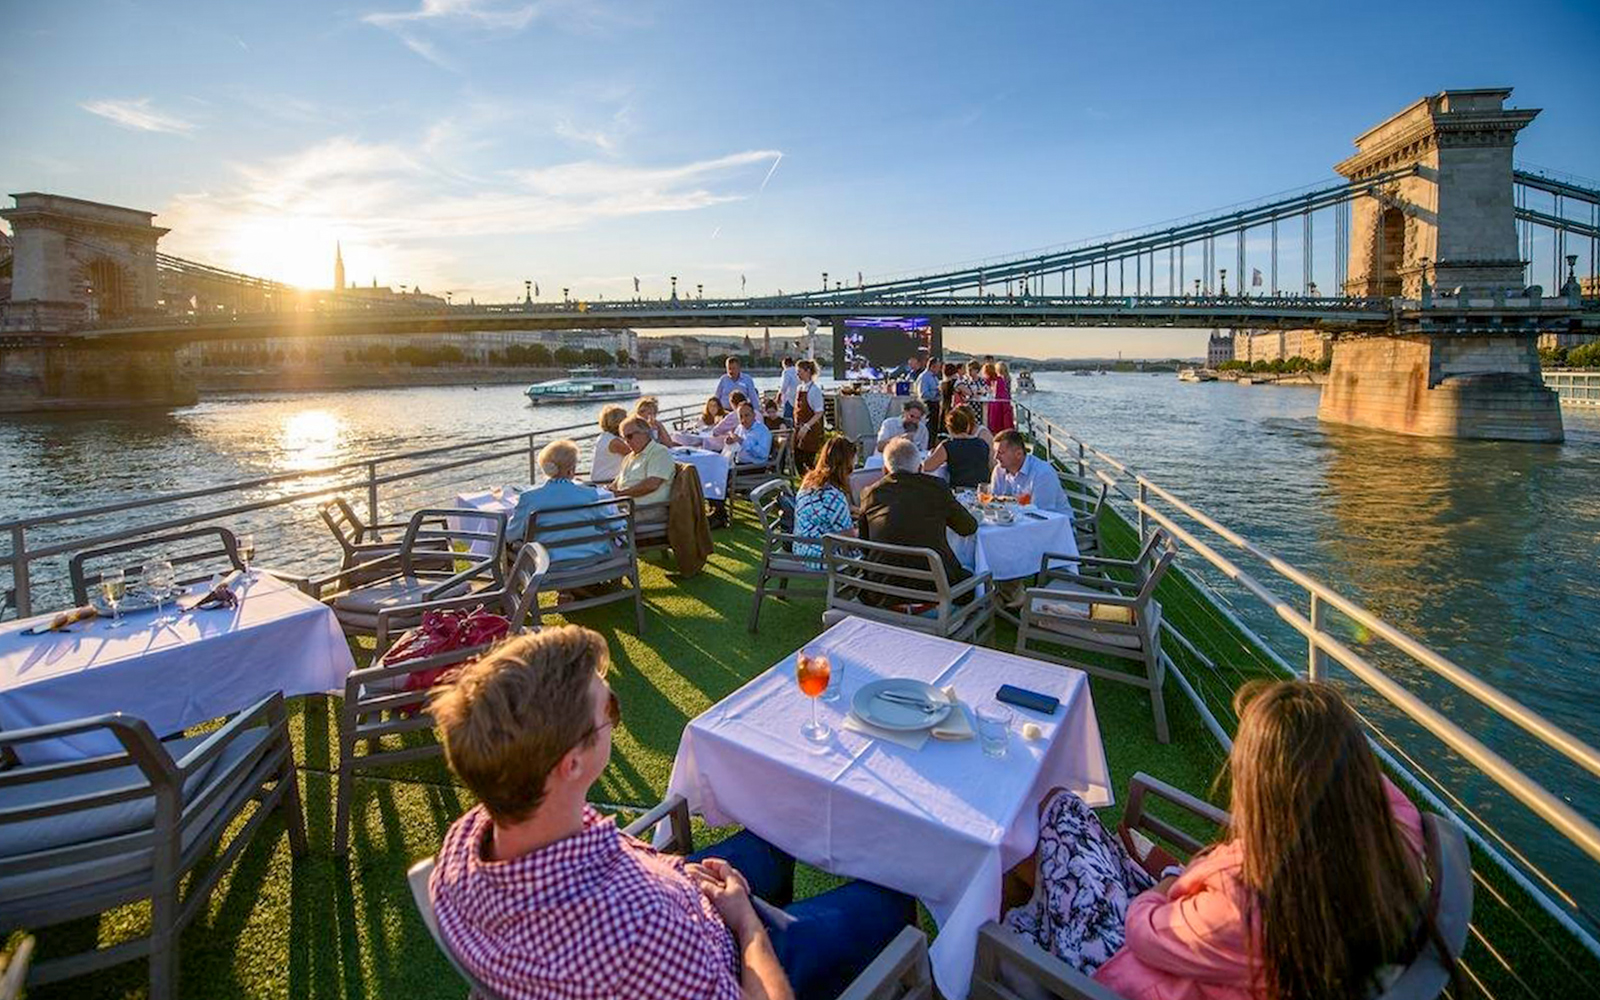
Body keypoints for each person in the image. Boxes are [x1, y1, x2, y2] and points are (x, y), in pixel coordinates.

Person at [428, 626, 917, 1000]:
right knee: (891, 894)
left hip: (680, 893)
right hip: (726, 948)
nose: (615, 720)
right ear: (570, 764)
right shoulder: (641, 926)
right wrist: (746, 921)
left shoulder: (463, 845)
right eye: (610, 711)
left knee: (773, 833)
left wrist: (678, 872)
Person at [1005, 680, 1429, 1000]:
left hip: (1116, 966)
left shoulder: (1247, 901)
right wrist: (1313, 728)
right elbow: (1383, 794)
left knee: (1056, 813)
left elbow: (1141, 930)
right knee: (1064, 819)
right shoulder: (1390, 842)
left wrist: (1169, 884)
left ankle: (1003, 946)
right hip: (1195, 946)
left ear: (1267, 792)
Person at [859, 438, 977, 587]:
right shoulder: (936, 488)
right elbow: (968, 527)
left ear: (885, 470)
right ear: (921, 468)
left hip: (882, 591)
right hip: (935, 591)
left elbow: (864, 544)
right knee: (970, 571)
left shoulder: (870, 494)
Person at [506, 441, 613, 559]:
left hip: (546, 562)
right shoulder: (589, 494)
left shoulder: (529, 498)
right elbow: (609, 523)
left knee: (510, 547)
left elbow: (511, 535)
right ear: (571, 469)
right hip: (590, 556)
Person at [793, 436, 857, 567]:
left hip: (801, 547)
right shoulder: (834, 496)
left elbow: (824, 510)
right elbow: (849, 538)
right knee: (873, 550)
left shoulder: (809, 482)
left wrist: (854, 510)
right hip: (822, 555)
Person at [612, 417, 676, 529]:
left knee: (597, 522)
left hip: (648, 511)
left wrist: (620, 495)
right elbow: (616, 483)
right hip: (627, 507)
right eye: (623, 438)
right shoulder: (629, 457)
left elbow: (651, 485)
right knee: (589, 515)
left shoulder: (659, 452)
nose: (627, 442)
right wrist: (606, 492)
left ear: (645, 433)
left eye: (629, 436)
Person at [989, 429, 1068, 512]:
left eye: (1000, 453)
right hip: (1016, 519)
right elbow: (993, 502)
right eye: (995, 452)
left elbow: (1041, 512)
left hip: (1055, 522)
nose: (995, 457)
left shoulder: (1042, 473)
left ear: (1018, 454)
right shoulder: (999, 470)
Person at [921, 408, 992, 487]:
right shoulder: (982, 443)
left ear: (949, 427)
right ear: (967, 426)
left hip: (960, 488)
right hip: (982, 488)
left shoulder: (948, 446)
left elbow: (927, 466)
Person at [792, 359, 825, 474]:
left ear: (808, 371)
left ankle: (813, 484)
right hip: (798, 428)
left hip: (810, 430)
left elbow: (819, 412)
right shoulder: (799, 388)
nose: (797, 374)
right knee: (798, 459)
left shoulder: (814, 390)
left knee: (808, 461)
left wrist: (806, 427)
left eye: (799, 371)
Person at [590, 405, 631, 484]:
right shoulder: (615, 442)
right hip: (607, 481)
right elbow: (637, 454)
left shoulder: (604, 437)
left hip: (601, 479)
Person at [912, 354, 941, 437]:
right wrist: (936, 393)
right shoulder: (924, 377)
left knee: (934, 428)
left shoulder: (934, 377)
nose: (939, 369)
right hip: (929, 405)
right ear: (932, 366)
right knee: (929, 428)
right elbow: (923, 394)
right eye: (938, 367)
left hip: (935, 404)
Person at [984, 362, 1015, 433]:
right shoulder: (1007, 378)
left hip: (999, 402)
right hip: (1006, 401)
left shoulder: (998, 379)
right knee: (1006, 421)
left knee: (997, 421)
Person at [778, 356, 799, 423]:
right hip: (797, 396)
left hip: (789, 398)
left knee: (788, 418)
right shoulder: (797, 370)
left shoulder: (786, 372)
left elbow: (784, 387)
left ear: (785, 364)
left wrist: (778, 396)